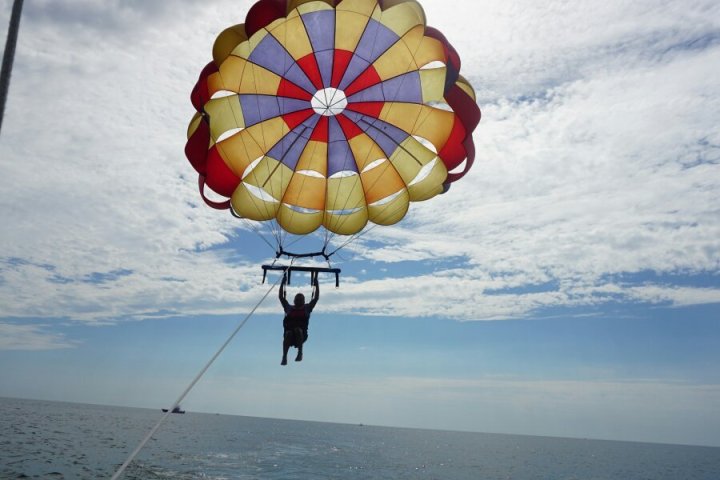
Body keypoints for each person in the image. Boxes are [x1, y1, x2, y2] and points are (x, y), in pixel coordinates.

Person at [279, 272, 319, 365]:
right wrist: (282, 283)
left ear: (304, 301)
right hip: (289, 336)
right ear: (294, 300)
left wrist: (317, 285)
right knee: (289, 333)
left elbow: (316, 298)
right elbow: (281, 297)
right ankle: (284, 356)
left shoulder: (307, 308)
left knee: (298, 330)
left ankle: (300, 353)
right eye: (297, 299)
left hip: (301, 336)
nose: (299, 301)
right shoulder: (289, 308)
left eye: (301, 299)